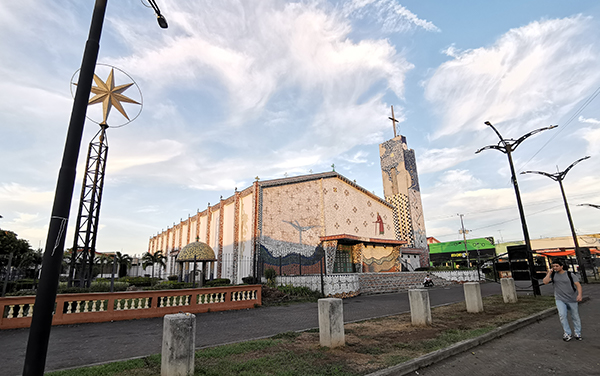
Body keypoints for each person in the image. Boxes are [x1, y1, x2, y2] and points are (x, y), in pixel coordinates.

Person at [540, 258, 583, 341]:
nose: (555, 268)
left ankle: (578, 332)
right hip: (560, 298)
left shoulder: (570, 275)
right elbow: (545, 282)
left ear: (561, 266)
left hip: (571, 298)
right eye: (554, 266)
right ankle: (567, 333)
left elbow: (578, 285)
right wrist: (549, 273)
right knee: (562, 315)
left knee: (575, 316)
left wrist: (579, 295)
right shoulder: (553, 275)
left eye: (557, 266)